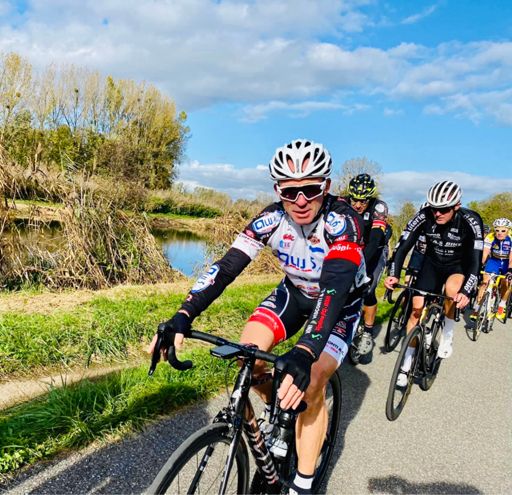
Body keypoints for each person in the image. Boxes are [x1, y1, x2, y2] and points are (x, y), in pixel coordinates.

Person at [151, 139, 368, 495]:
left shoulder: (344, 222)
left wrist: (305, 351)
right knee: (246, 357)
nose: (300, 200)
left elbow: (335, 286)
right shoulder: (271, 218)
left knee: (311, 382)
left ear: (326, 186)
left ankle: (303, 483)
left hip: (339, 303)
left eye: (311, 189)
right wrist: (183, 315)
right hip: (293, 295)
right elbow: (225, 268)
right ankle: (279, 413)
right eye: (290, 191)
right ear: (278, 190)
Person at [384, 180, 484, 387]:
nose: (437, 213)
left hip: (458, 266)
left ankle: (448, 332)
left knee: (452, 290)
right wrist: (394, 274)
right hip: (432, 264)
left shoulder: (471, 220)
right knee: (415, 310)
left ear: (457, 206)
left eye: (443, 209)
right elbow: (403, 247)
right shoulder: (424, 215)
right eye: (434, 208)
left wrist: (466, 292)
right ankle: (406, 364)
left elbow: (475, 261)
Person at [342, 173, 391, 363]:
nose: (357, 205)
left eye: (363, 201)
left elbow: (375, 240)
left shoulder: (379, 207)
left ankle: (367, 333)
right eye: (354, 199)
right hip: (355, 247)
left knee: (368, 289)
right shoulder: (343, 204)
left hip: (375, 251)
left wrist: (360, 266)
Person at [470, 217, 512, 322]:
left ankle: (502, 305)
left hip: (507, 262)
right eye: (497, 230)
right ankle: (476, 309)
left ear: (508, 230)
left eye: (503, 230)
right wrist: (479, 265)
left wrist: (510, 270)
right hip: (494, 261)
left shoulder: (511, 238)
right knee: (484, 283)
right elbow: (484, 254)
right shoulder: (490, 237)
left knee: (507, 282)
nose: (499, 233)